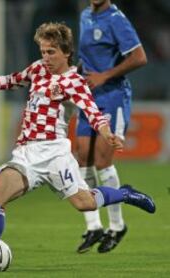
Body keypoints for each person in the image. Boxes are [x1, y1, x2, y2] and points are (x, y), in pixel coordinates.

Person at [0, 22, 155, 268]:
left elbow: (92, 112)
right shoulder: (38, 69)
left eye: (51, 52)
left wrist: (106, 133)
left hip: (55, 154)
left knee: (85, 203)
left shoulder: (74, 82)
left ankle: (125, 193)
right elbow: (11, 80)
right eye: (42, 51)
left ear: (66, 52)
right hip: (27, 153)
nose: (45, 57)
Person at [75, 0, 148, 254]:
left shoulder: (116, 19)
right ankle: (93, 225)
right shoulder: (85, 15)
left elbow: (139, 57)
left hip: (113, 96)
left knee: (103, 160)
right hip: (88, 95)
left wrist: (105, 76)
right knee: (82, 157)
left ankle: (116, 226)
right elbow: (86, 59)